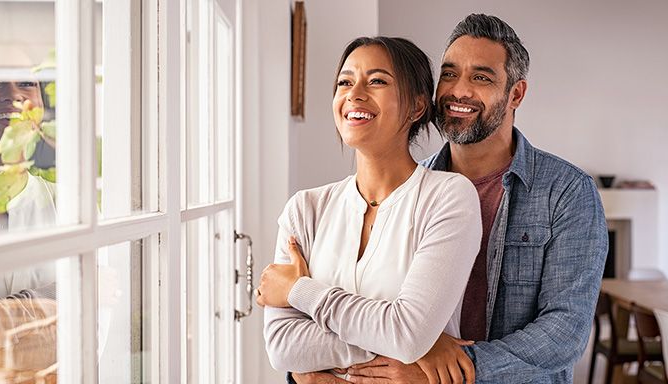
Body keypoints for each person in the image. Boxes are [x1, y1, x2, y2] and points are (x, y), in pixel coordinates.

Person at [336, 14, 608, 384]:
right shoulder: (408, 190)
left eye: (481, 77)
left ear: (516, 94)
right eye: (449, 74)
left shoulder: (566, 192)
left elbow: (564, 333)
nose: (458, 90)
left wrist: (460, 366)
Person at [257, 36, 483, 383]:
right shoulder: (304, 210)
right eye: (345, 82)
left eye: (376, 81)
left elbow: (407, 333)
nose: (354, 94)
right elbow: (282, 346)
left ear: (417, 106)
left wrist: (299, 290)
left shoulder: (449, 198)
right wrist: (412, 343)